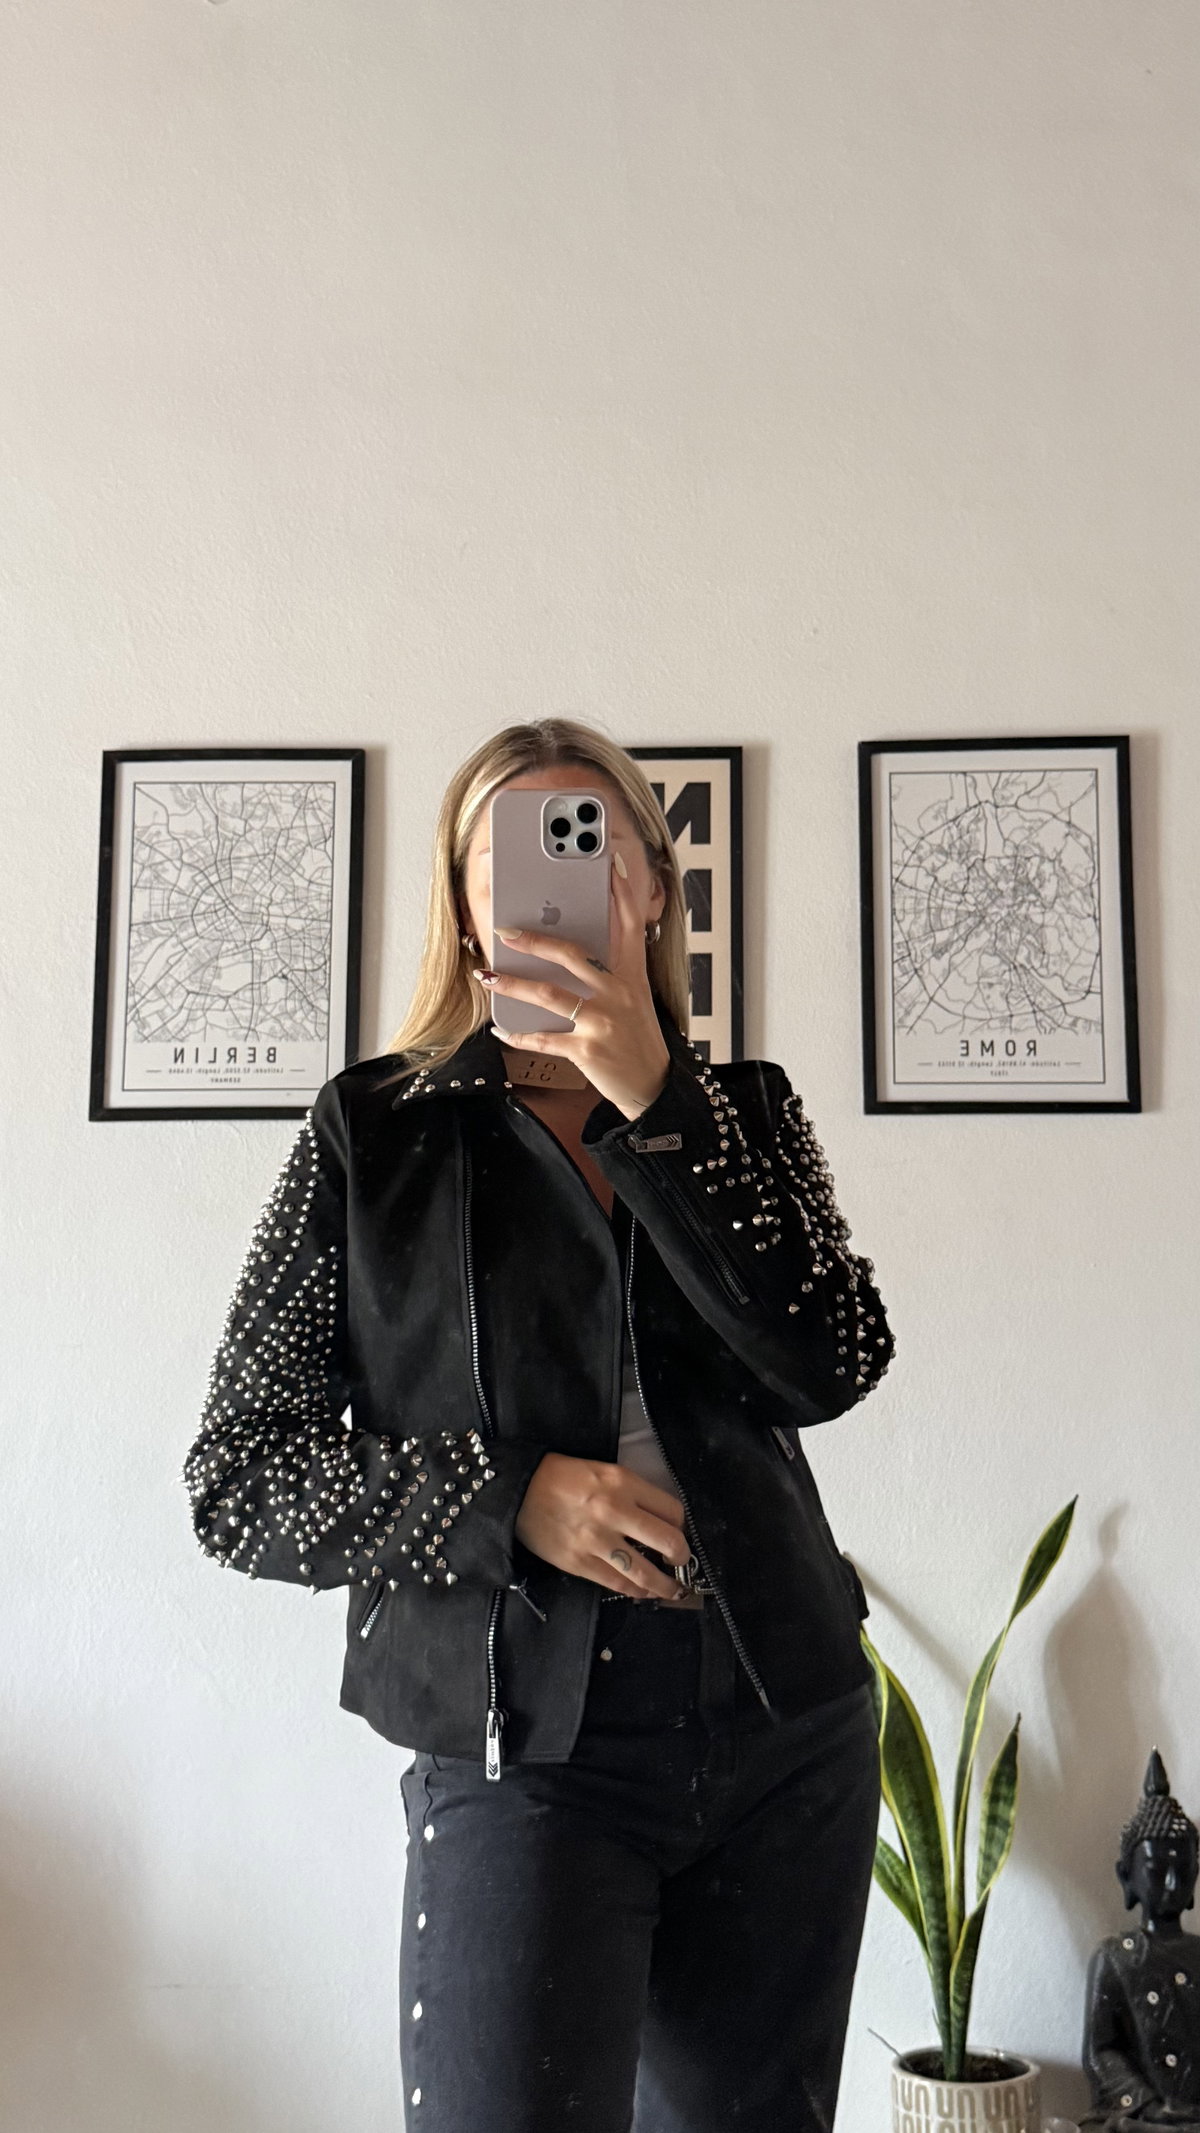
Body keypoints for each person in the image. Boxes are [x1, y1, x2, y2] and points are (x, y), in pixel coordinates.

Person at [182, 716, 896, 2133]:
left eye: (595, 844)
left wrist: (660, 1105)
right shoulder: (374, 1134)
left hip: (786, 1729)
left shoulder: (745, 1114)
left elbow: (835, 1359)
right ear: (464, 904)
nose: (557, 881)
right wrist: (513, 1498)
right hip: (524, 1747)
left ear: (654, 888)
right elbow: (239, 1476)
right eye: (508, 854)